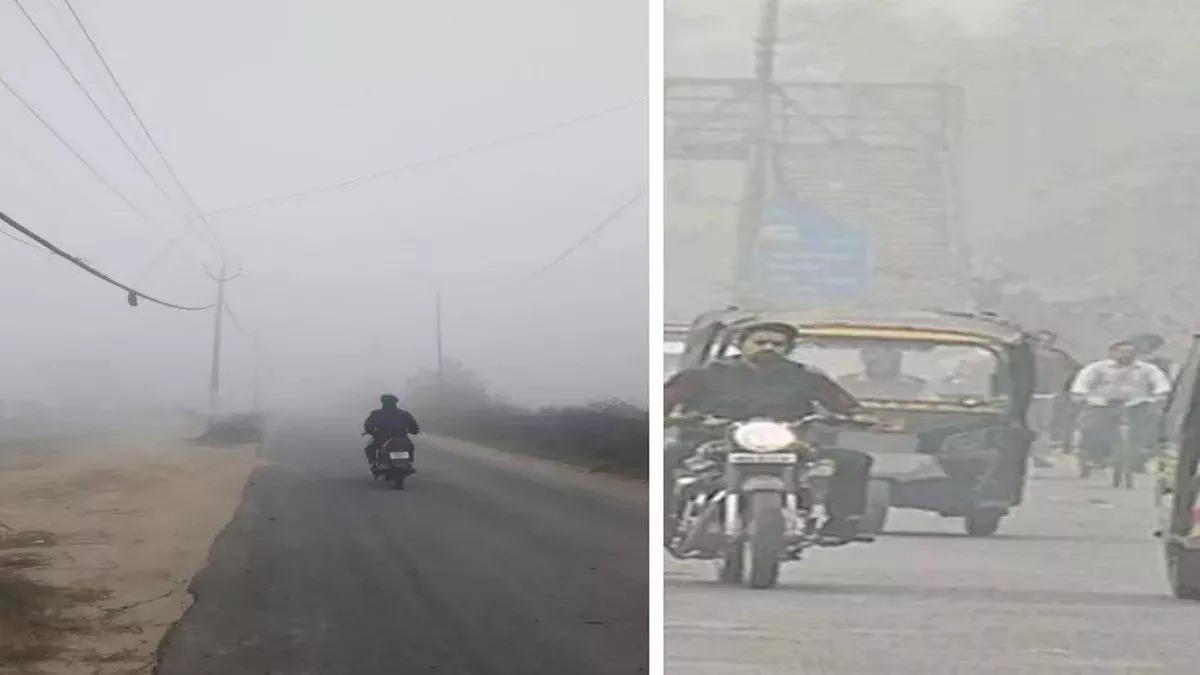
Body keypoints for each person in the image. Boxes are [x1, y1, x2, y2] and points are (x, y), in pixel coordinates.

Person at [664, 321, 874, 545]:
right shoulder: (702, 375)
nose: (768, 347)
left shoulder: (806, 376)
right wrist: (676, 418)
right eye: (760, 342)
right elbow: (665, 401)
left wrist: (858, 416)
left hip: (788, 443)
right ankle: (662, 521)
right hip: (712, 441)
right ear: (741, 345)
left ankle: (842, 524)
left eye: (777, 344)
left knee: (855, 460)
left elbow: (843, 404)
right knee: (663, 457)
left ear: (789, 348)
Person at [1070, 340, 1171, 467]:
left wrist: (1161, 394)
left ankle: (1144, 455)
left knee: (1150, 426)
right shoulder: (1097, 368)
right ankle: (1092, 454)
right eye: (1122, 352)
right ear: (1112, 353)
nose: (1126, 355)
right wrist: (1081, 395)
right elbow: (1082, 384)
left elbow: (1160, 383)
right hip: (1103, 404)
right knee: (1090, 427)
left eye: (1130, 352)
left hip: (1135, 404)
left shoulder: (1147, 369)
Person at [837, 345, 935, 400]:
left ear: (896, 355)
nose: (870, 358)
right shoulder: (844, 385)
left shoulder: (918, 387)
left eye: (876, 353)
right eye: (866, 352)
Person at [363, 394, 421, 468]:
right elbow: (414, 428)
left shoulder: (376, 414)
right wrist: (412, 431)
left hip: (382, 439)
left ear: (383, 403)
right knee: (410, 446)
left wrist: (372, 432)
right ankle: (409, 463)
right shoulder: (404, 414)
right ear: (395, 403)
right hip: (401, 439)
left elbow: (368, 426)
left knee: (369, 448)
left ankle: (374, 464)